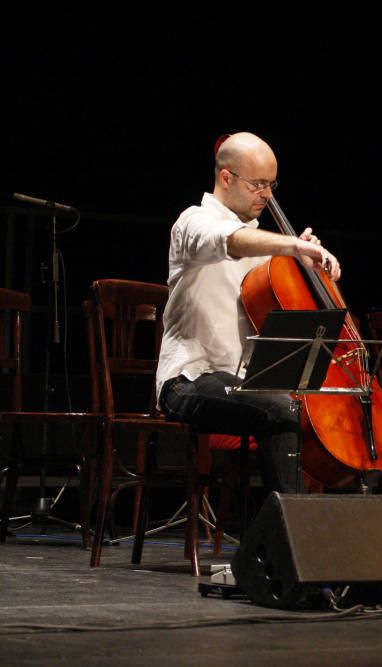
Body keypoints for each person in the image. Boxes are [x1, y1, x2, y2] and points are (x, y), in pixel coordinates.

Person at [155, 132, 341, 494]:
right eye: (258, 184)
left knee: (299, 405)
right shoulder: (192, 223)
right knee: (281, 409)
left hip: (241, 383)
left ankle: (295, 528)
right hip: (189, 380)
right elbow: (230, 240)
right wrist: (291, 244)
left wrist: (301, 260)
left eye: (272, 184)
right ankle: (291, 533)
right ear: (227, 177)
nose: (267, 195)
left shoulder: (263, 244)